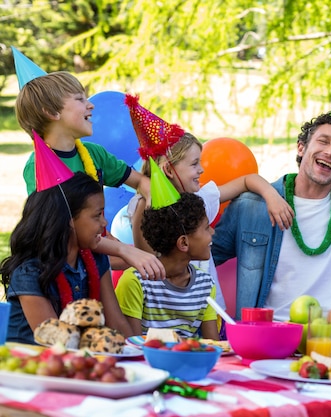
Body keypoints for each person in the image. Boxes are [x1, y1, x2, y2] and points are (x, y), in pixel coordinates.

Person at [211, 104, 331, 321]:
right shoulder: (252, 206)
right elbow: (205, 257)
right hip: (267, 336)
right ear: (301, 148)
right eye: (323, 141)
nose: (330, 152)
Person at [123, 95, 294, 315]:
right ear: (168, 170)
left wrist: (272, 196)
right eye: (194, 164)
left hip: (211, 312)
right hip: (170, 316)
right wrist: (146, 198)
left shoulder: (201, 200)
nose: (201, 170)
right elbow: (147, 258)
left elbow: (246, 180)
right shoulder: (143, 208)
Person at [12, 48, 165, 280]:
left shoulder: (94, 154)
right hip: (62, 267)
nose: (91, 105)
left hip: (97, 251)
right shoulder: (39, 166)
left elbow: (141, 181)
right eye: (80, 99)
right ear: (52, 112)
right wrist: (124, 249)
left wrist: (153, 210)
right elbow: (62, 230)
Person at [0, 134, 132, 343]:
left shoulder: (97, 260)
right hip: (35, 367)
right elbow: (57, 343)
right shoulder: (30, 272)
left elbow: (118, 327)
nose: (104, 223)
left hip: (82, 362)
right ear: (70, 220)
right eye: (97, 215)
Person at [115, 162, 219, 339]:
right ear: (183, 243)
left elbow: (212, 345)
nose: (212, 232)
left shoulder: (205, 284)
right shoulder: (136, 282)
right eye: (206, 228)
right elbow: (131, 344)